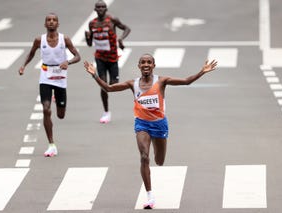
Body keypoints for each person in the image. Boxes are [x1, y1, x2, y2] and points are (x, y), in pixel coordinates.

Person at [84, 54, 217, 209]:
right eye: (143, 62)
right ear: (139, 66)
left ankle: (155, 148)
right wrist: (94, 75)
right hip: (142, 124)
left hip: (160, 125)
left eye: (149, 62)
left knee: (159, 161)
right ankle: (149, 196)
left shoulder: (161, 81)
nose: (146, 64)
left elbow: (186, 82)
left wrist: (202, 71)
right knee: (144, 157)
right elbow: (108, 88)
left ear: (153, 65)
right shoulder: (132, 84)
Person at [19, 13, 81, 157]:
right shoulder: (39, 40)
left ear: (58, 24)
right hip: (46, 76)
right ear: (45, 24)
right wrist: (24, 65)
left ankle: (57, 101)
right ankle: (51, 144)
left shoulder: (64, 39)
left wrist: (68, 62)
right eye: (48, 20)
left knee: (60, 115)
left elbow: (77, 56)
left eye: (54, 20)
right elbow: (31, 53)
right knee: (46, 110)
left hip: (60, 77)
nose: (51, 22)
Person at [85, 0, 131, 123]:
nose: (100, 9)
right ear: (95, 10)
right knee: (103, 85)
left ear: (106, 9)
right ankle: (106, 112)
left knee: (113, 84)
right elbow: (89, 44)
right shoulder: (92, 24)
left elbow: (127, 28)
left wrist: (121, 39)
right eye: (98, 7)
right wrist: (87, 37)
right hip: (100, 58)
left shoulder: (112, 20)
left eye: (102, 7)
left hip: (112, 58)